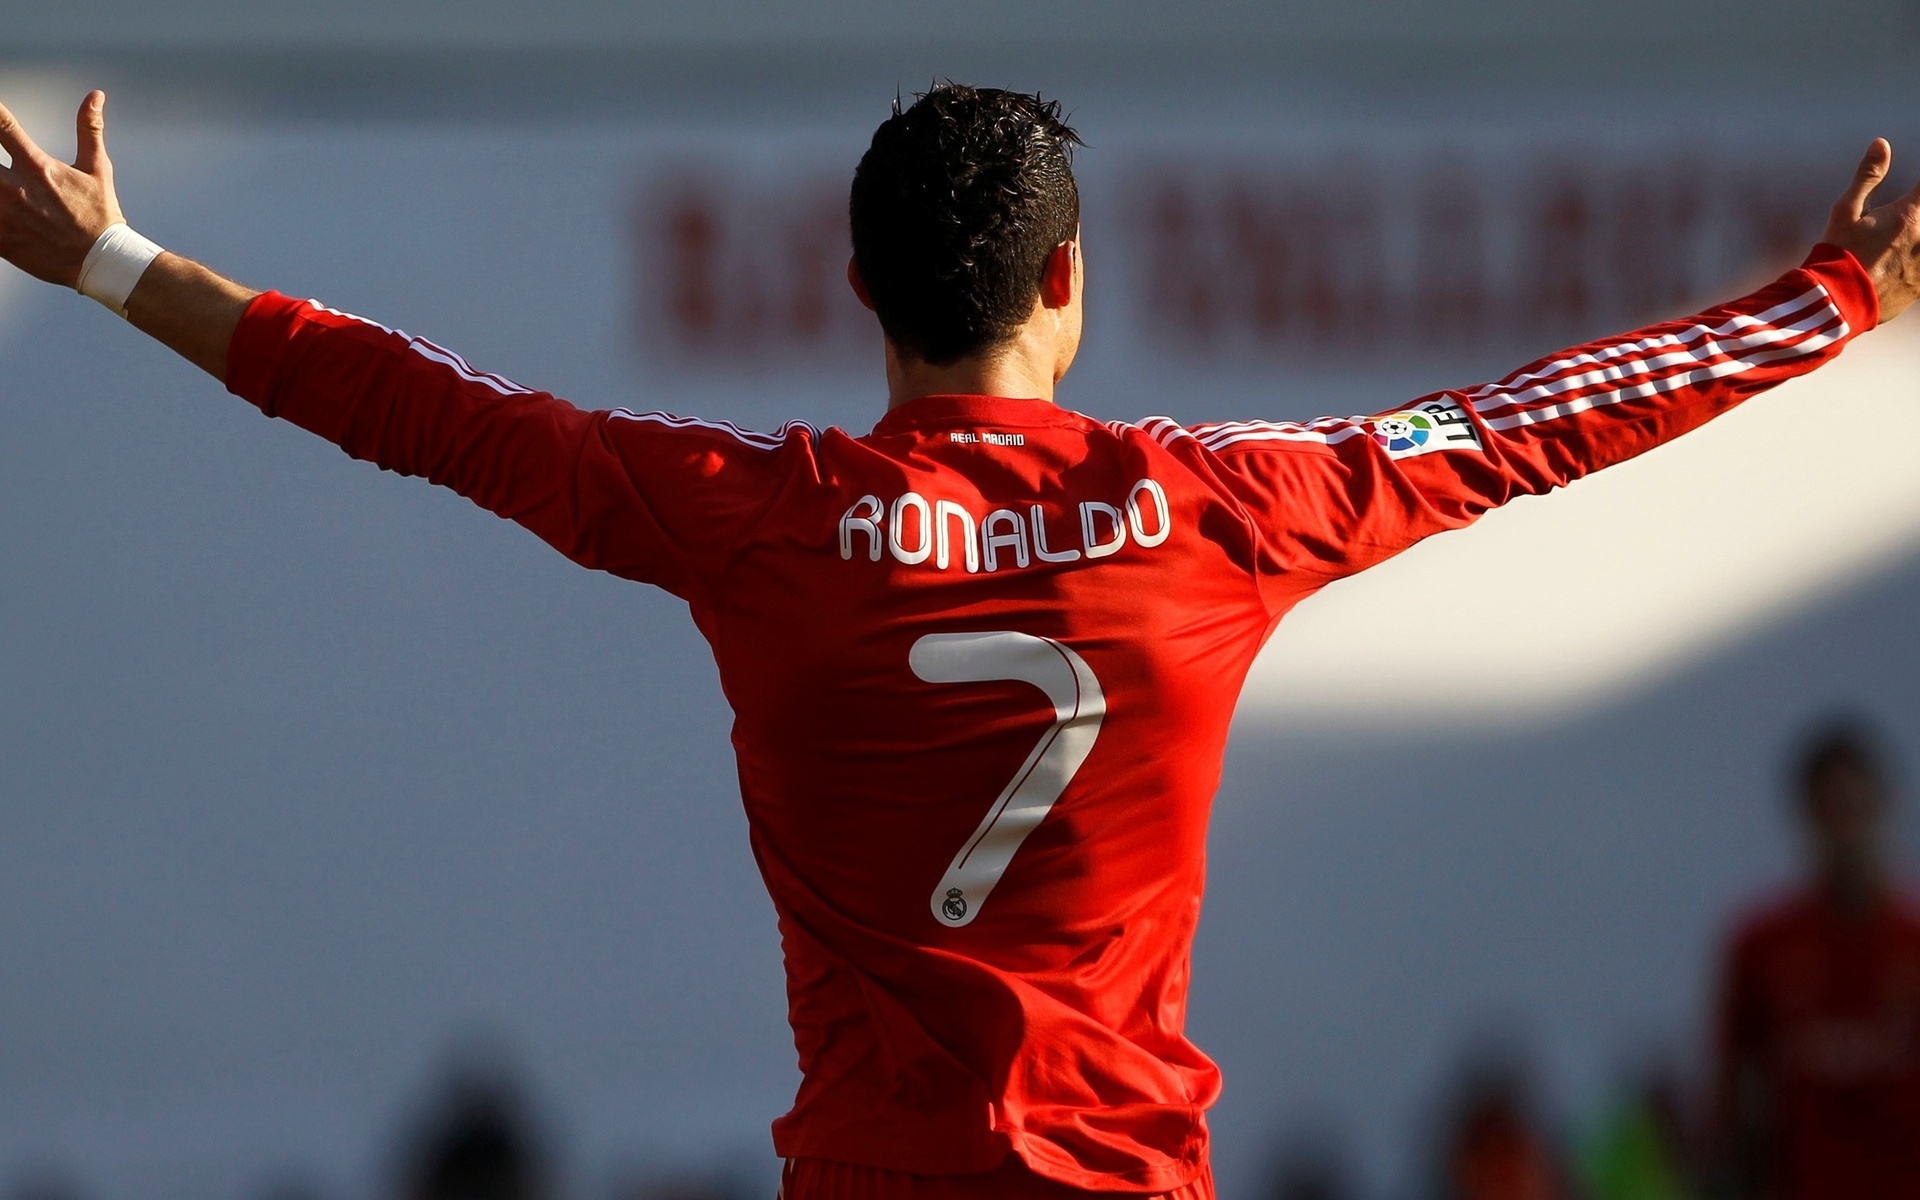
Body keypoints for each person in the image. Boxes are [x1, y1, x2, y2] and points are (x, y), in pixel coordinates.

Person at [0, 83, 1915, 1200]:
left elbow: (420, 405)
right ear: (1067, 282)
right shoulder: (1219, 509)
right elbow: (1541, 416)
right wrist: (1832, 300)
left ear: (858, 292)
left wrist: (112, 261)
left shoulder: (756, 515)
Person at [1712, 724, 1920, 1199]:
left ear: (1884, 807)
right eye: (1830, 810)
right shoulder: (1763, 946)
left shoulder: (1912, 944)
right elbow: (1732, 1094)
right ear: (1806, 817)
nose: (1845, 827)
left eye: (1855, 807)